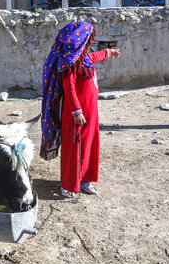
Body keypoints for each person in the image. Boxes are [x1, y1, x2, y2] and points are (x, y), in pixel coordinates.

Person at [40, 22, 121, 198]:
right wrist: (76, 112)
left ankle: (85, 181)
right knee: (74, 146)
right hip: (75, 114)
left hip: (91, 111)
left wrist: (109, 52)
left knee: (90, 143)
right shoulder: (68, 64)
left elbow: (93, 57)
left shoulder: (82, 58)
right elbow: (68, 88)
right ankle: (68, 185)